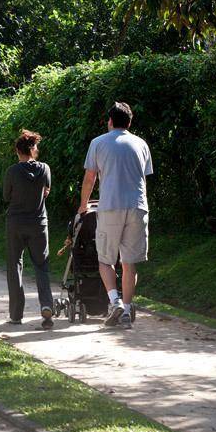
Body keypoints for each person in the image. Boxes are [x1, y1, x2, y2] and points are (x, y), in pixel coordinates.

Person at [79, 102, 153, 330]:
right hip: (138, 206)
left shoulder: (98, 143)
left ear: (110, 121)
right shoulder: (141, 144)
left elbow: (90, 178)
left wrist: (83, 205)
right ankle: (128, 310)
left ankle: (115, 302)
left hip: (110, 206)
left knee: (105, 260)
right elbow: (143, 178)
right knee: (129, 263)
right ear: (129, 122)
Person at [3, 129, 54, 330]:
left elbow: (6, 196)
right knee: (41, 266)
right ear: (33, 149)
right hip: (39, 223)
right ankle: (47, 305)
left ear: (18, 150)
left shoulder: (12, 171)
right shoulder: (45, 169)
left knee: (14, 265)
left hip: (15, 223)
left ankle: (16, 315)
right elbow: (46, 191)